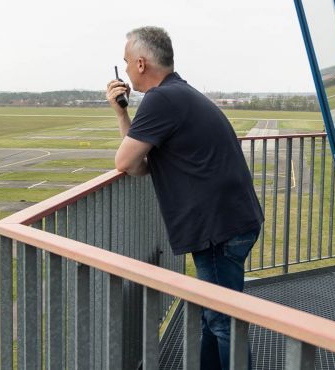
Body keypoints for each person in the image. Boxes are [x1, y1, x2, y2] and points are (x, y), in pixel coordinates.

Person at [105, 26, 263, 370]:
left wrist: (120, 111)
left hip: (219, 230)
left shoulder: (161, 99)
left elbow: (125, 162)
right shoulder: (179, 93)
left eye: (127, 63)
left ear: (142, 63)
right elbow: (144, 165)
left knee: (224, 322)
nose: (127, 71)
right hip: (230, 222)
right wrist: (122, 113)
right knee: (214, 316)